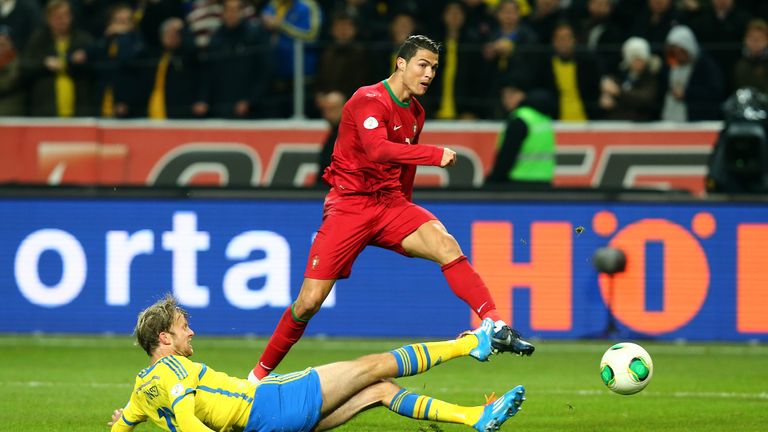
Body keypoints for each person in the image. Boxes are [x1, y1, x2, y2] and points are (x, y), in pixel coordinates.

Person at [250, 34, 535, 383]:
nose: (429, 74)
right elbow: (377, 150)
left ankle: (494, 324)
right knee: (308, 302)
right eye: (422, 64)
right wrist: (435, 154)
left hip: (390, 205)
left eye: (434, 68)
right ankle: (256, 378)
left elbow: (404, 169)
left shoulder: (416, 112)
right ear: (400, 63)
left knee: (445, 243)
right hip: (350, 206)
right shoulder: (367, 99)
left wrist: (406, 208)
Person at [108, 294, 527, 431]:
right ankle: (474, 342)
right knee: (376, 365)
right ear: (164, 337)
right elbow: (188, 422)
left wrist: (122, 420)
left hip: (261, 423)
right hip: (269, 402)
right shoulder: (176, 371)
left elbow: (122, 424)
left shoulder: (142, 386)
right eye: (183, 327)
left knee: (377, 392)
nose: (190, 333)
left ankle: (476, 416)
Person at [486, 77, 556, 185]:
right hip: (545, 183)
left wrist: (492, 182)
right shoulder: (543, 117)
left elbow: (506, 157)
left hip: (520, 184)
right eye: (504, 95)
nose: (506, 100)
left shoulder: (519, 120)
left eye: (512, 94)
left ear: (523, 95)